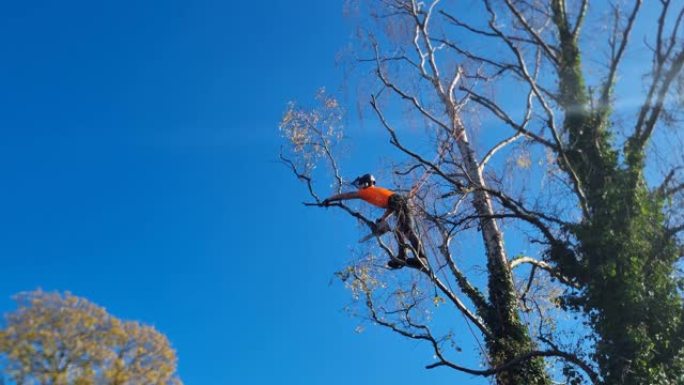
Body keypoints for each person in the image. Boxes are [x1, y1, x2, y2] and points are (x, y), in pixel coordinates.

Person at [322, 174, 427, 270]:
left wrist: (329, 199)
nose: (359, 187)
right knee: (398, 231)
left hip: (399, 202)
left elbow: (346, 195)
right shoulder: (380, 193)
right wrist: (383, 218)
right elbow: (391, 205)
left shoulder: (364, 192)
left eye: (360, 184)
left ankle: (422, 258)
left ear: (366, 183)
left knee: (406, 230)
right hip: (397, 203)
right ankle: (402, 257)